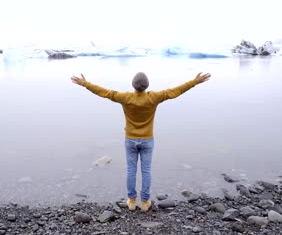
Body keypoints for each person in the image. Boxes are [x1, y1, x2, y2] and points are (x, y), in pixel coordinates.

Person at [71, 72, 211, 212]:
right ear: (147, 86)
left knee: (131, 170)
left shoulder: (125, 97)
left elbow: (105, 92)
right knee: (146, 171)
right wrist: (194, 82)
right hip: (147, 140)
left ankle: (131, 201)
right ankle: (145, 202)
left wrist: (85, 84)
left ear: (133, 85)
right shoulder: (154, 97)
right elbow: (175, 91)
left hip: (130, 139)